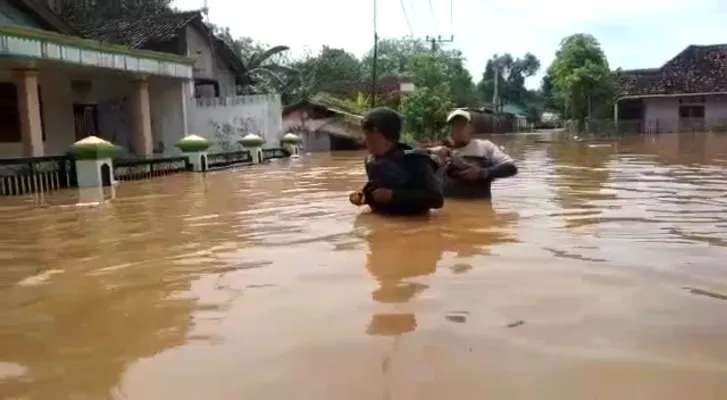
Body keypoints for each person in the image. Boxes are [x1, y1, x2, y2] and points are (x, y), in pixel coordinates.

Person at [349, 107, 444, 215]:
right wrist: (364, 197)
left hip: (412, 226)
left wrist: (393, 195)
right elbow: (376, 191)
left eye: (366, 135)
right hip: (381, 225)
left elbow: (437, 199)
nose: (364, 141)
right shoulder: (370, 161)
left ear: (376, 133)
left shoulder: (415, 160)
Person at [441, 109, 518, 199]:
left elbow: (511, 168)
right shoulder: (441, 149)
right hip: (449, 209)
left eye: (463, 125)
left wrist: (483, 173)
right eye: (454, 125)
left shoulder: (485, 147)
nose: (459, 129)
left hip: (481, 206)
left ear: (471, 128)